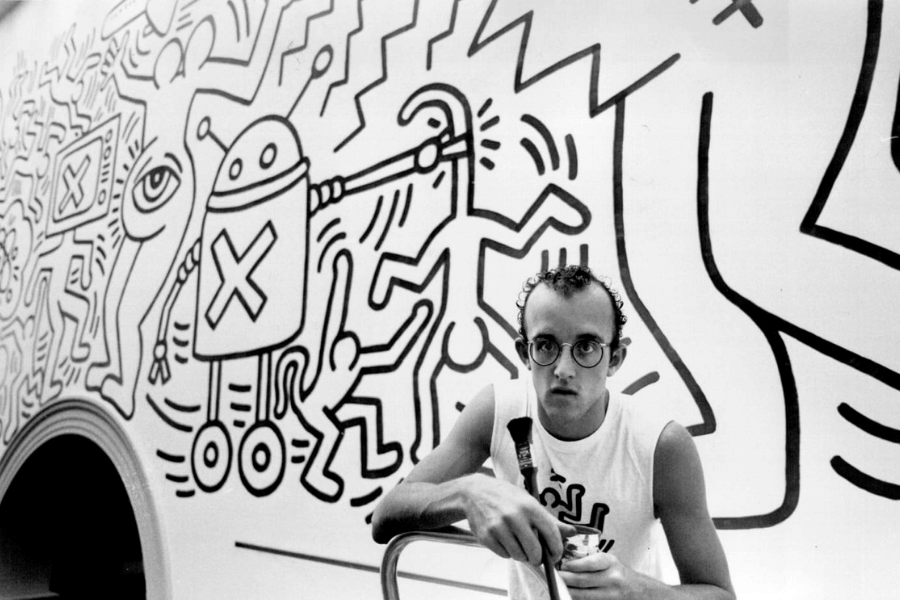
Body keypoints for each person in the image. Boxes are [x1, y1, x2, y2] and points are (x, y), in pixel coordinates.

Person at [371, 265, 735, 600]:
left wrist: (635, 590)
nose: (563, 369)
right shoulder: (498, 411)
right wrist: (469, 492)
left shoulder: (660, 445)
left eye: (586, 347)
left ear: (615, 359)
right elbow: (386, 517)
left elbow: (720, 595)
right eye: (545, 345)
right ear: (524, 353)